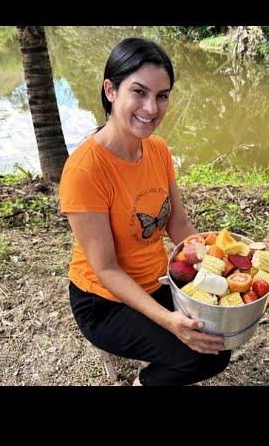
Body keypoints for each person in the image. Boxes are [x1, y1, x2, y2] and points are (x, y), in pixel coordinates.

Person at [58, 37, 230, 386]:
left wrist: (215, 264)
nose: (151, 108)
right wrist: (170, 322)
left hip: (157, 280)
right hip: (103, 302)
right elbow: (105, 269)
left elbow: (178, 224)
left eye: (162, 95)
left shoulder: (157, 150)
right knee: (199, 356)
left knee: (217, 343)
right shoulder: (85, 171)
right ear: (111, 90)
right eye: (139, 92)